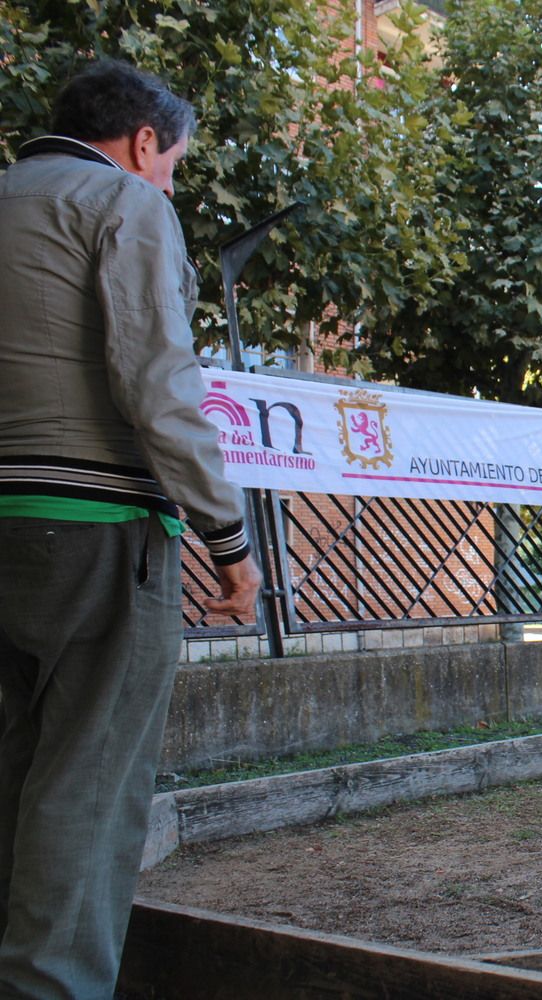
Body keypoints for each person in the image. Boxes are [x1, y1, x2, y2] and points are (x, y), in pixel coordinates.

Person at [0, 61, 263, 998]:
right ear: (144, 141)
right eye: (175, 165)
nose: (169, 185)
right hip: (100, 531)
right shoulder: (121, 202)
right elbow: (158, 384)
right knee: (89, 791)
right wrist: (228, 541)